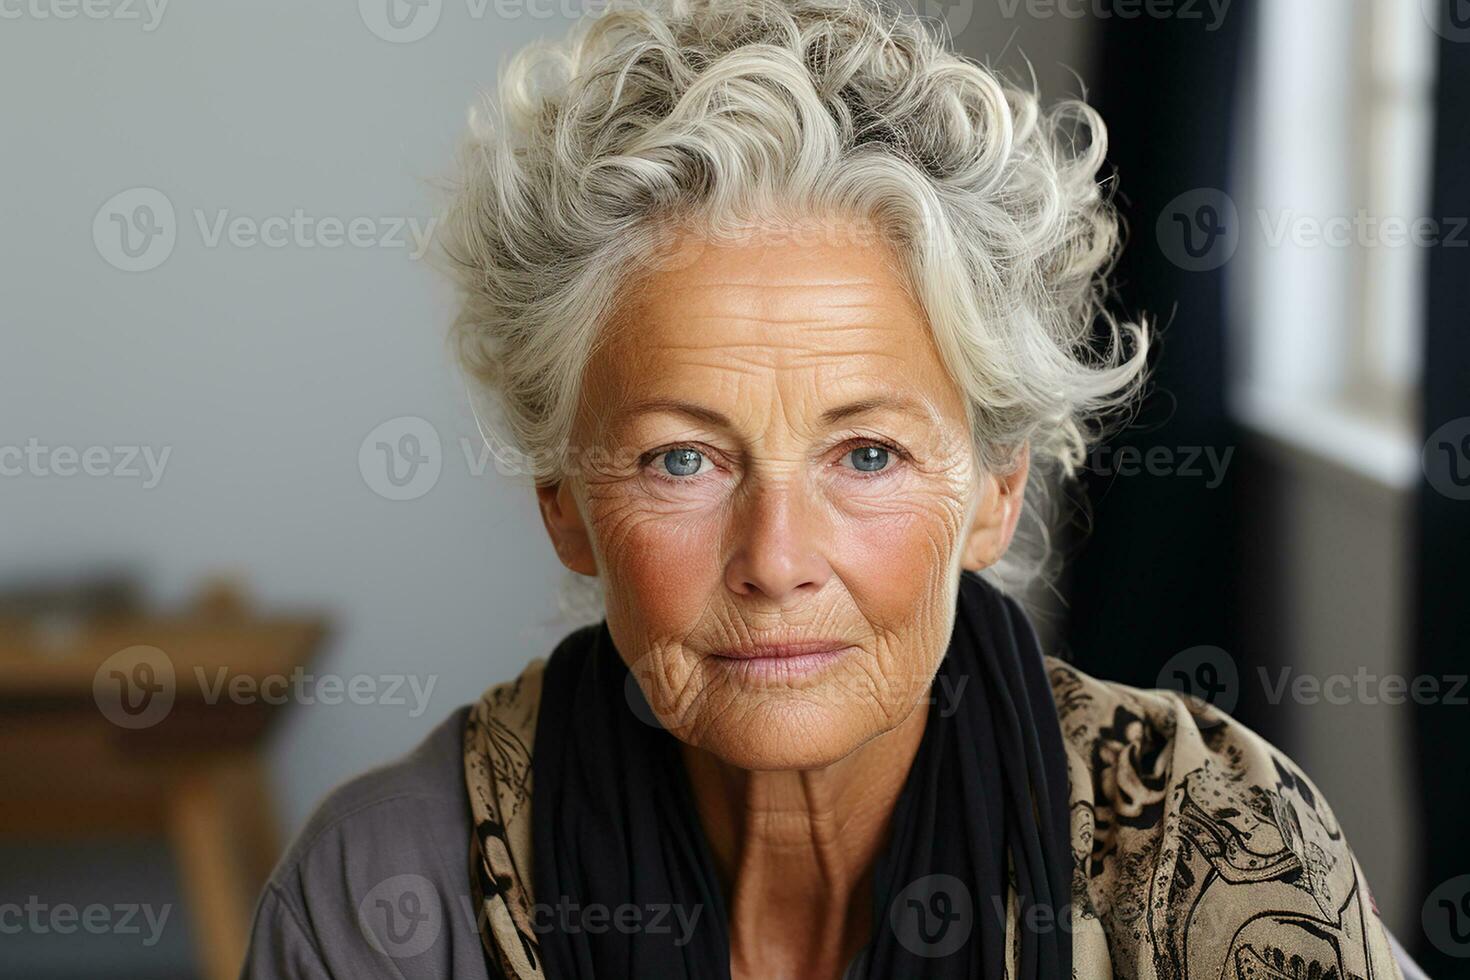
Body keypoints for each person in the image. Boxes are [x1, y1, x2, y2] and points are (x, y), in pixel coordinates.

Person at [241, 1, 1417, 976]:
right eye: (681, 458)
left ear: (997, 489)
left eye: (867, 454)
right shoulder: (392, 897)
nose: (776, 556)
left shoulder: (1217, 856)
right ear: (565, 499)